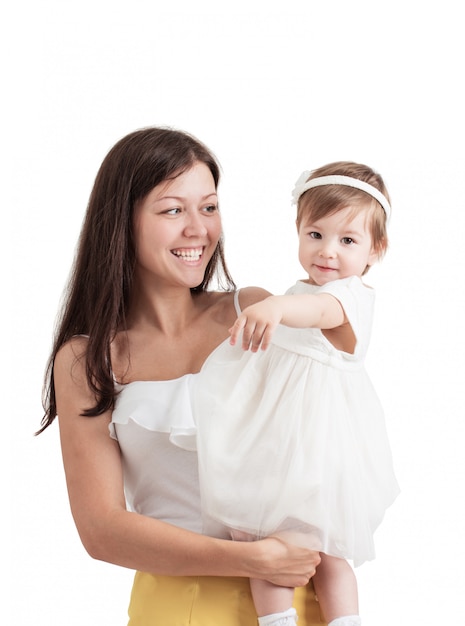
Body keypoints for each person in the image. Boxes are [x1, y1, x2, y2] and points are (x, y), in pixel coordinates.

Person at [37, 127, 324, 625]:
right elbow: (101, 529)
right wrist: (252, 560)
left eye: (209, 207)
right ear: (122, 221)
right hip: (179, 607)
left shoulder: (259, 312)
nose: (199, 229)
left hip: (298, 598)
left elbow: (348, 351)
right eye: (173, 210)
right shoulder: (87, 360)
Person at [194, 162, 400, 626]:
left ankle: (345, 620)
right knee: (258, 538)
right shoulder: (298, 289)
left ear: (376, 249)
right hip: (277, 444)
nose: (328, 252)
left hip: (316, 447)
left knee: (322, 550)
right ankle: (277, 620)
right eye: (315, 234)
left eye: (348, 240)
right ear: (299, 231)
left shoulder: (348, 298)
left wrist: (278, 306)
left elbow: (318, 312)